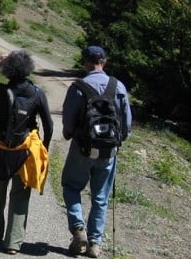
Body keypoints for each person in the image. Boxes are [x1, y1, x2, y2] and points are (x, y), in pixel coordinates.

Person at [0, 50, 53, 255]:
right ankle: (13, 243)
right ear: (28, 69)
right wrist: (45, 147)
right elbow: (49, 125)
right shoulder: (37, 93)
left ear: (7, 71)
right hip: (25, 150)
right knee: (20, 195)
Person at [61, 45, 133, 258]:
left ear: (85, 62)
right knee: (100, 197)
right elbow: (126, 123)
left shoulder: (79, 87)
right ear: (104, 62)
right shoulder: (118, 86)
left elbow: (68, 120)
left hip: (82, 148)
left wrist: (69, 134)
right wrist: (117, 141)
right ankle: (95, 244)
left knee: (71, 186)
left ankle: (78, 228)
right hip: (109, 151)